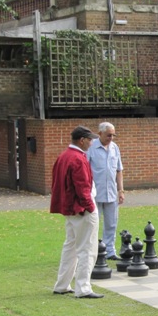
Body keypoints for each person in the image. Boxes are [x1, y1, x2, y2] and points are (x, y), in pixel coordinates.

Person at [50, 126, 103, 299]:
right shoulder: (78, 159)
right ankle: (83, 288)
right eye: (90, 139)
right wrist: (90, 207)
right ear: (82, 140)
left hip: (69, 209)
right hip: (82, 210)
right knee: (87, 249)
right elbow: (83, 188)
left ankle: (62, 284)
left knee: (70, 247)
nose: (92, 142)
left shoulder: (64, 156)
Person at [87, 122, 124, 261]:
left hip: (112, 192)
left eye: (113, 135)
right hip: (95, 192)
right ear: (100, 133)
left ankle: (110, 251)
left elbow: (119, 170)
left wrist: (121, 190)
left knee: (112, 223)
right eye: (109, 135)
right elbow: (85, 170)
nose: (111, 138)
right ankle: (94, 251)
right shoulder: (91, 148)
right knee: (93, 223)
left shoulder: (115, 148)